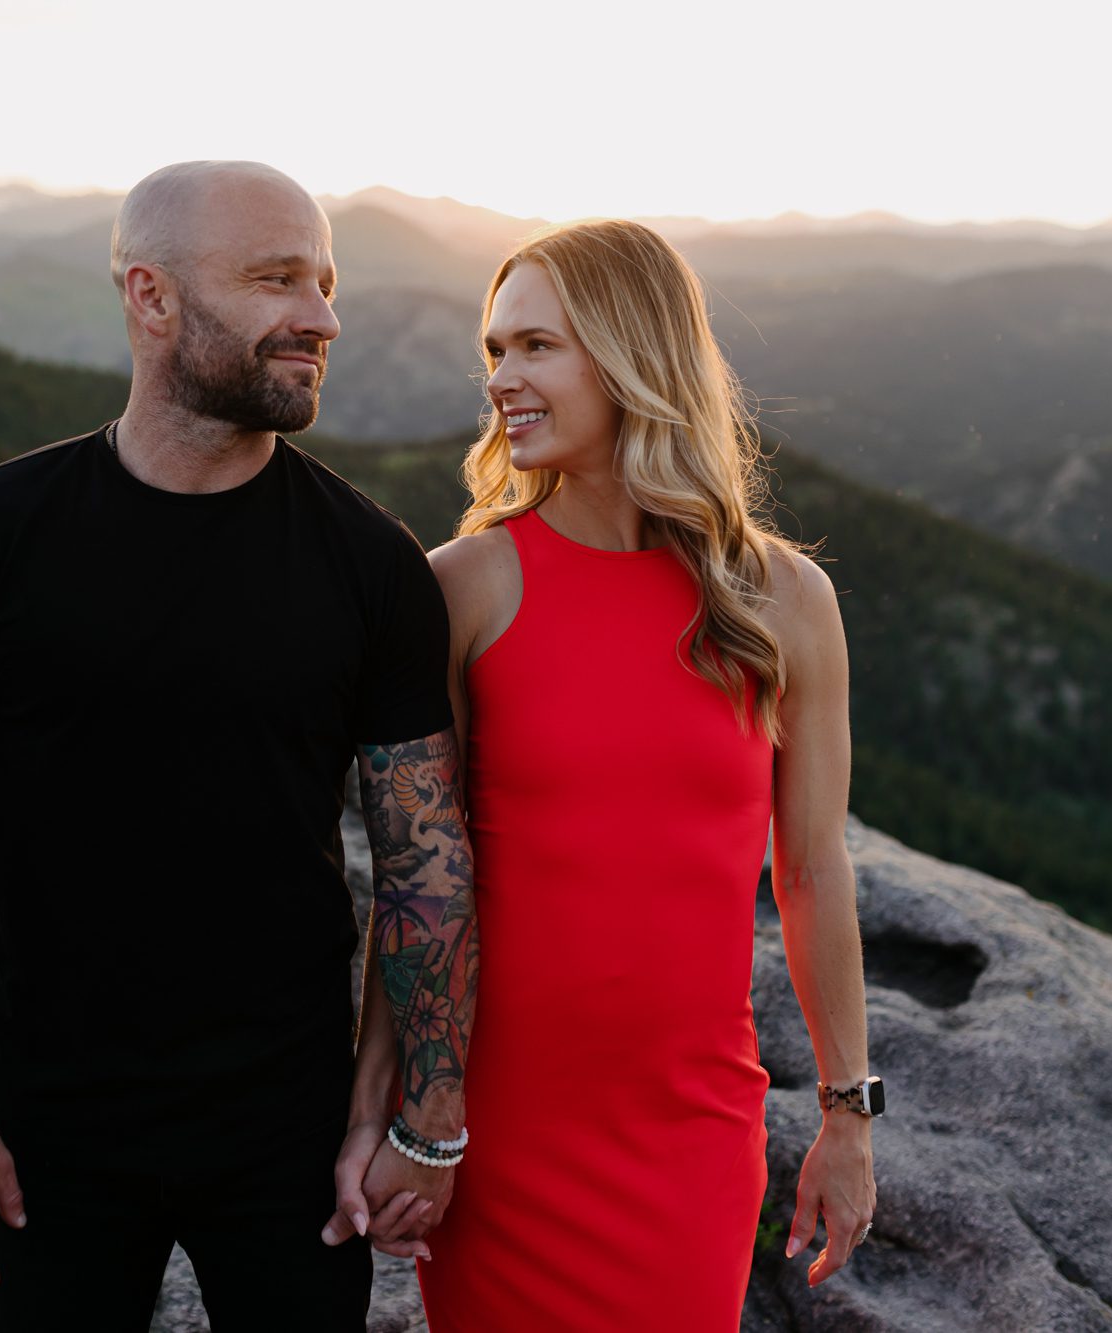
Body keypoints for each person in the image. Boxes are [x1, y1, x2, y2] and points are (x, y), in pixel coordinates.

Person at [0, 160, 480, 1331]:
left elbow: (424, 867)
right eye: (277, 279)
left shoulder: (371, 564)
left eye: (327, 283)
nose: (322, 317)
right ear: (149, 295)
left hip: (290, 1138)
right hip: (51, 1137)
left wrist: (425, 1121)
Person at [324, 219, 880, 1328]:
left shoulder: (783, 601)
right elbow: (420, 883)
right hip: (498, 1131)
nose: (501, 379)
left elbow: (813, 871)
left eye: (537, 346)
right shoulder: (464, 587)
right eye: (495, 350)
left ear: (633, 354)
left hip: (691, 1129)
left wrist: (848, 1116)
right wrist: (382, 1111)